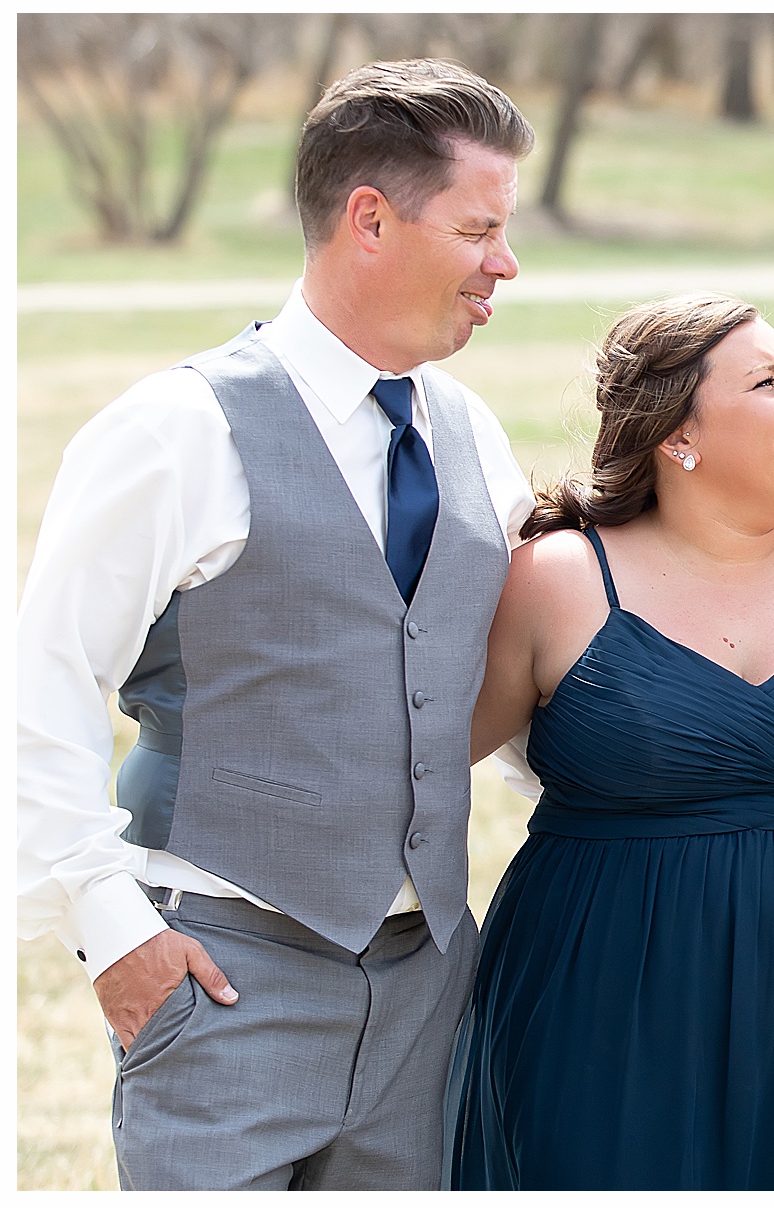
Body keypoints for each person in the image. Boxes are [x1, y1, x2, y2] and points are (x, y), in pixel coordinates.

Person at [16, 60, 539, 1189]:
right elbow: (40, 684)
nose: (506, 262)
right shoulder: (176, 427)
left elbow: (501, 679)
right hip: (220, 978)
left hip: (425, 991)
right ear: (369, 219)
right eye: (480, 226)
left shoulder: (474, 432)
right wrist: (115, 931)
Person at [447, 296, 774, 1188]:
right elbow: (426, 759)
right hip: (608, 998)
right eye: (767, 383)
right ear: (679, 436)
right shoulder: (557, 579)